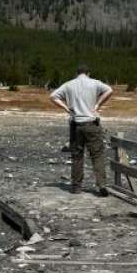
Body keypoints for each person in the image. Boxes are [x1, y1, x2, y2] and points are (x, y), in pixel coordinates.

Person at [50, 63, 113, 195]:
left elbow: (53, 96)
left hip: (76, 124)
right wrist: (97, 105)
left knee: (77, 156)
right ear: (88, 73)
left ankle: (76, 187)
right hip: (91, 123)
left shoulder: (69, 84)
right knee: (97, 155)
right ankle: (101, 185)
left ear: (76, 73)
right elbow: (109, 90)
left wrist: (66, 108)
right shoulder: (95, 83)